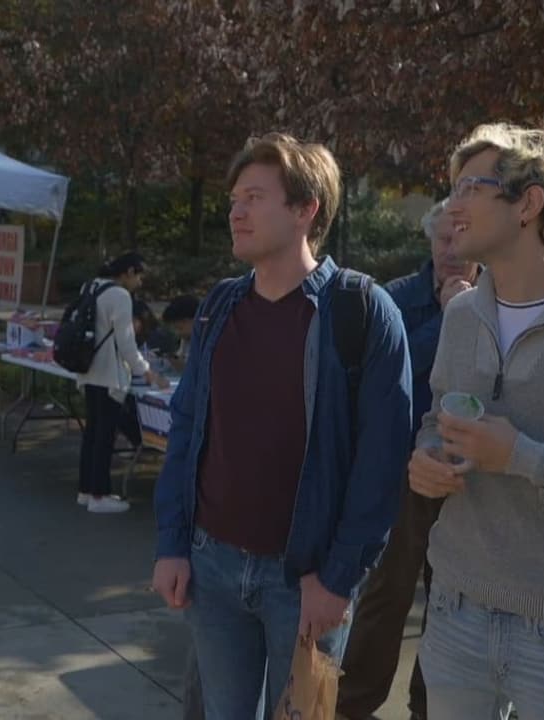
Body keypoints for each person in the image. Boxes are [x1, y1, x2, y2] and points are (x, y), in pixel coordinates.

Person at [152, 133, 412, 719]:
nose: (235, 212)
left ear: (304, 210)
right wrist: (172, 544)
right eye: (233, 199)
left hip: (305, 584)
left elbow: (381, 464)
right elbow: (188, 427)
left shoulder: (363, 313)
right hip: (212, 570)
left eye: (254, 197)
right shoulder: (220, 307)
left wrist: (339, 579)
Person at [409, 122, 544, 719]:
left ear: (529, 204)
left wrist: (522, 458)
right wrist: (427, 458)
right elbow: (437, 418)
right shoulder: (460, 317)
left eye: (471, 188)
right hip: (454, 609)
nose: (452, 207)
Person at [336, 201, 479, 720]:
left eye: (462, 237)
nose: (452, 250)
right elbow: (384, 378)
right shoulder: (394, 301)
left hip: (473, 478)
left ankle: (429, 706)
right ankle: (351, 706)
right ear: (429, 243)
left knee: (451, 603)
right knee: (386, 595)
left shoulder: (500, 300)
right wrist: (449, 316)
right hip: (403, 473)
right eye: (443, 239)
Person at [75, 251, 168, 513]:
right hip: (110, 376)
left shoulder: (91, 286)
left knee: (92, 434)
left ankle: (85, 490)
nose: (139, 282)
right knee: (105, 437)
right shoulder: (120, 296)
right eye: (139, 276)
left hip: (87, 371)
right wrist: (148, 373)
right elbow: (126, 345)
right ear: (128, 272)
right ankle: (99, 495)